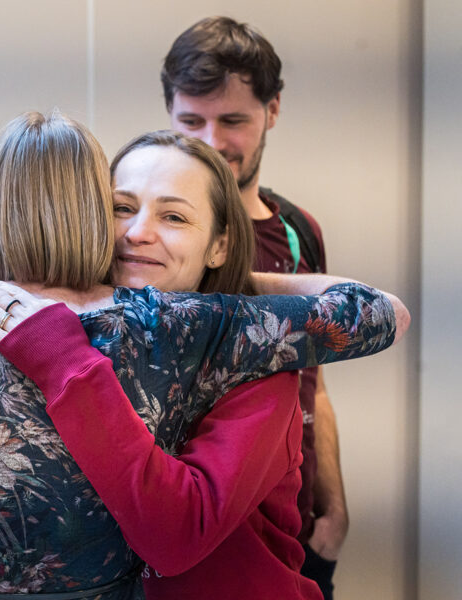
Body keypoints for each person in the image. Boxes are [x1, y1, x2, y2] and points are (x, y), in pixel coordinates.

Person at [0, 129, 409, 599]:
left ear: (219, 245)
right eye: (121, 208)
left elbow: (176, 536)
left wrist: (232, 294)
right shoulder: (58, 330)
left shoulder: (254, 361)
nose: (138, 233)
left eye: (174, 216)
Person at [161, 16, 348, 598]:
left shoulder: (299, 231)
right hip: (200, 545)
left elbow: (315, 385)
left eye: (233, 121)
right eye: (192, 121)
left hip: (301, 534)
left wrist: (334, 508)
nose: (212, 142)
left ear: (273, 110)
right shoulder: (150, 243)